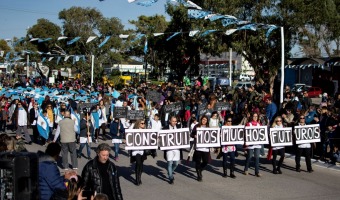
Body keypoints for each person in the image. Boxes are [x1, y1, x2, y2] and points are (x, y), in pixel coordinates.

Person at [163, 116, 182, 184]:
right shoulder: (165, 128)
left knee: (176, 163)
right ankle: (171, 177)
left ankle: (169, 171)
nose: (174, 122)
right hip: (169, 149)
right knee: (169, 163)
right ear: (169, 121)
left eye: (175, 121)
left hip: (176, 149)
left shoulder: (179, 128)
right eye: (173, 121)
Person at [191, 115, 210, 182]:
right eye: (203, 119)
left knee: (206, 161)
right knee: (197, 161)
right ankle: (199, 175)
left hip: (206, 148)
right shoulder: (197, 126)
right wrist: (194, 135)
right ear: (201, 120)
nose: (204, 121)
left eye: (205, 120)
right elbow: (191, 134)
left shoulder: (208, 127)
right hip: (198, 148)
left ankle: (200, 169)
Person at [244, 112, 262, 177]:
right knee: (249, 156)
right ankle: (246, 169)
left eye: (256, 116)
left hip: (257, 143)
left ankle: (257, 172)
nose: (255, 118)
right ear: (252, 117)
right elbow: (245, 133)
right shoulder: (248, 124)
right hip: (250, 143)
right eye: (254, 116)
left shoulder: (259, 125)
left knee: (257, 157)